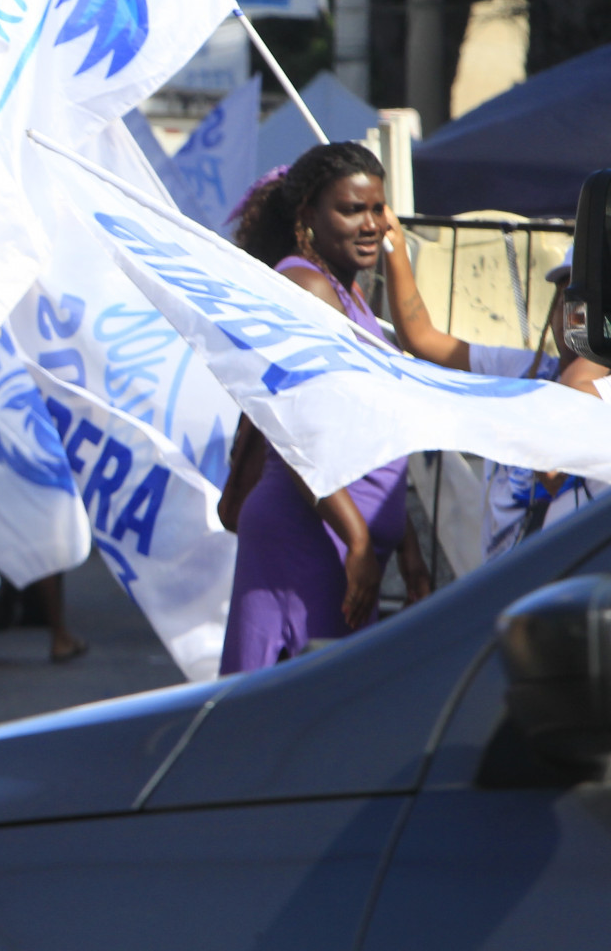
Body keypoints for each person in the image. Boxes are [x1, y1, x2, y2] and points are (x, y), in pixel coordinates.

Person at [219, 144, 431, 673]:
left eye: (378, 208)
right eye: (352, 209)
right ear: (308, 216)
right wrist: (358, 538)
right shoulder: (305, 284)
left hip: (346, 544)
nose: (372, 224)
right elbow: (295, 430)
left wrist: (403, 544)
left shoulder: (349, 292)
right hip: (308, 539)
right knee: (286, 729)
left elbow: (364, 439)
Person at [382, 232, 611, 560]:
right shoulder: (519, 370)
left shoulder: (603, 396)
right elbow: (421, 340)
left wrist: (600, 346)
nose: (574, 313)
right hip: (499, 580)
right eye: (566, 296)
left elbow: (550, 470)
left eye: (592, 301)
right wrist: (395, 247)